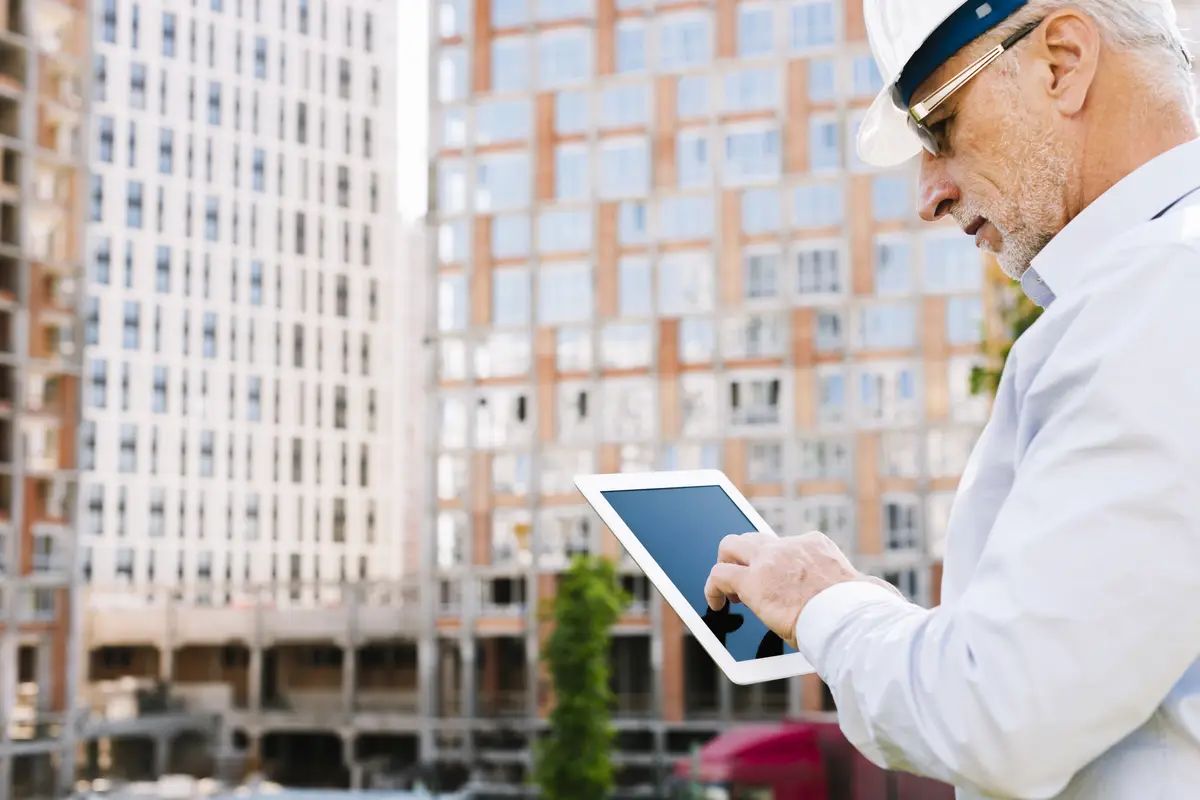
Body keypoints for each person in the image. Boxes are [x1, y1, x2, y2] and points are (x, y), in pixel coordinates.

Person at [703, 0, 1200, 797]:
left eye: (939, 124)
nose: (928, 196)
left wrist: (823, 603)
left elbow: (1001, 711)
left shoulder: (1161, 290)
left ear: (1062, 62)